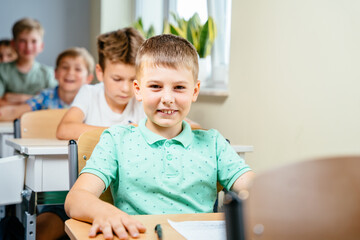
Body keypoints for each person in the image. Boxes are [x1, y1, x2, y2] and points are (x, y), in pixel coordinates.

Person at [64, 34, 255, 240]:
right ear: (138, 90)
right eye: (155, 86)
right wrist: (106, 213)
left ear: (195, 91)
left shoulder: (214, 144)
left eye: (179, 87)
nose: (167, 99)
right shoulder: (116, 140)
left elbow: (254, 189)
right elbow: (75, 199)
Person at [56, 27, 146, 140]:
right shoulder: (89, 93)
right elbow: (64, 130)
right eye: (117, 79)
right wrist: (119, 132)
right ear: (100, 72)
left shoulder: (144, 100)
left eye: (134, 80)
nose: (126, 88)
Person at [0, 47, 94, 121]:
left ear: (89, 78)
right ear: (55, 73)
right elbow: (13, 112)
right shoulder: (45, 97)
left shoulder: (92, 100)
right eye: (65, 67)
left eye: (77, 69)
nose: (70, 72)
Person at [0, 18, 57, 106]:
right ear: (13, 44)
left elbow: (52, 103)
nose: (28, 47)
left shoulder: (48, 73)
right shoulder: (2, 70)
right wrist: (37, 98)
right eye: (23, 41)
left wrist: (11, 97)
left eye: (34, 41)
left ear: (41, 46)